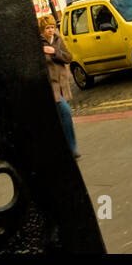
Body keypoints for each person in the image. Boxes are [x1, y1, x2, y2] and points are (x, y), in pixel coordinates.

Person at [39, 16, 79, 158]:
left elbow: (68, 57)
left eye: (52, 27)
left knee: (62, 118)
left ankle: (64, 148)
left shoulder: (58, 39)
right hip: (51, 86)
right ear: (42, 30)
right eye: (47, 28)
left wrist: (54, 52)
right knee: (66, 112)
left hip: (63, 83)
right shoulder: (38, 44)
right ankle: (72, 148)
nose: (50, 30)